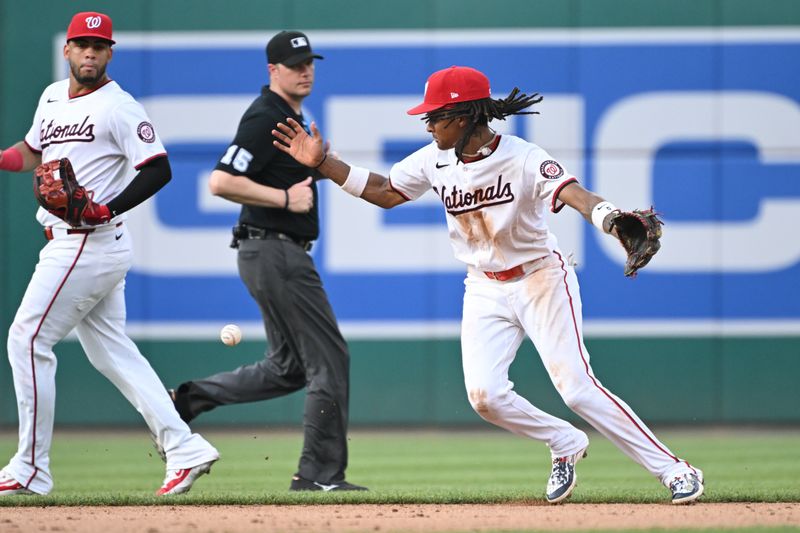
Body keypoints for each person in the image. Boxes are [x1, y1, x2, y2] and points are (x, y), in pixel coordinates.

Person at [272, 65, 705, 504]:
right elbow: (386, 191)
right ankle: (563, 442)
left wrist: (610, 218)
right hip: (483, 286)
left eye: (436, 115)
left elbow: (576, 194)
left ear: (463, 117)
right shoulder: (433, 159)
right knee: (485, 397)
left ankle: (675, 470)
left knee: (576, 388)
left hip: (540, 279)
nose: (428, 124)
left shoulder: (523, 157)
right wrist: (324, 164)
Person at [0, 11, 219, 496]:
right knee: (113, 354)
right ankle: (185, 447)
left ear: (109, 53)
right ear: (69, 51)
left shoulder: (119, 107)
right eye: (82, 44)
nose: (90, 53)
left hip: (86, 243)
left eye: (99, 46)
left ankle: (30, 468)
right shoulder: (52, 97)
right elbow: (31, 152)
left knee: (26, 339)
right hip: (82, 246)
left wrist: (105, 207)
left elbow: (159, 168)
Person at [169, 30, 366, 492]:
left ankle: (187, 400)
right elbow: (219, 181)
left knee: (290, 368)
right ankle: (318, 477)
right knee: (329, 358)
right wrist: (282, 197)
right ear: (272, 70)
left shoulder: (290, 117)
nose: (304, 70)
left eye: (308, 63)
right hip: (275, 249)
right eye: (293, 64)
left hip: (271, 251)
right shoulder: (266, 117)